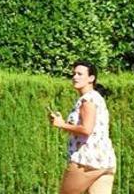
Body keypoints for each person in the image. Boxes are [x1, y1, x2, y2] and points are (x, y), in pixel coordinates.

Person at [49, 61, 117, 194]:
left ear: (91, 78)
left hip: (86, 160)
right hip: (105, 161)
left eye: (80, 74)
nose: (75, 77)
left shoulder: (87, 100)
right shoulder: (96, 98)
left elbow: (87, 129)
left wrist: (61, 124)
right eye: (74, 73)